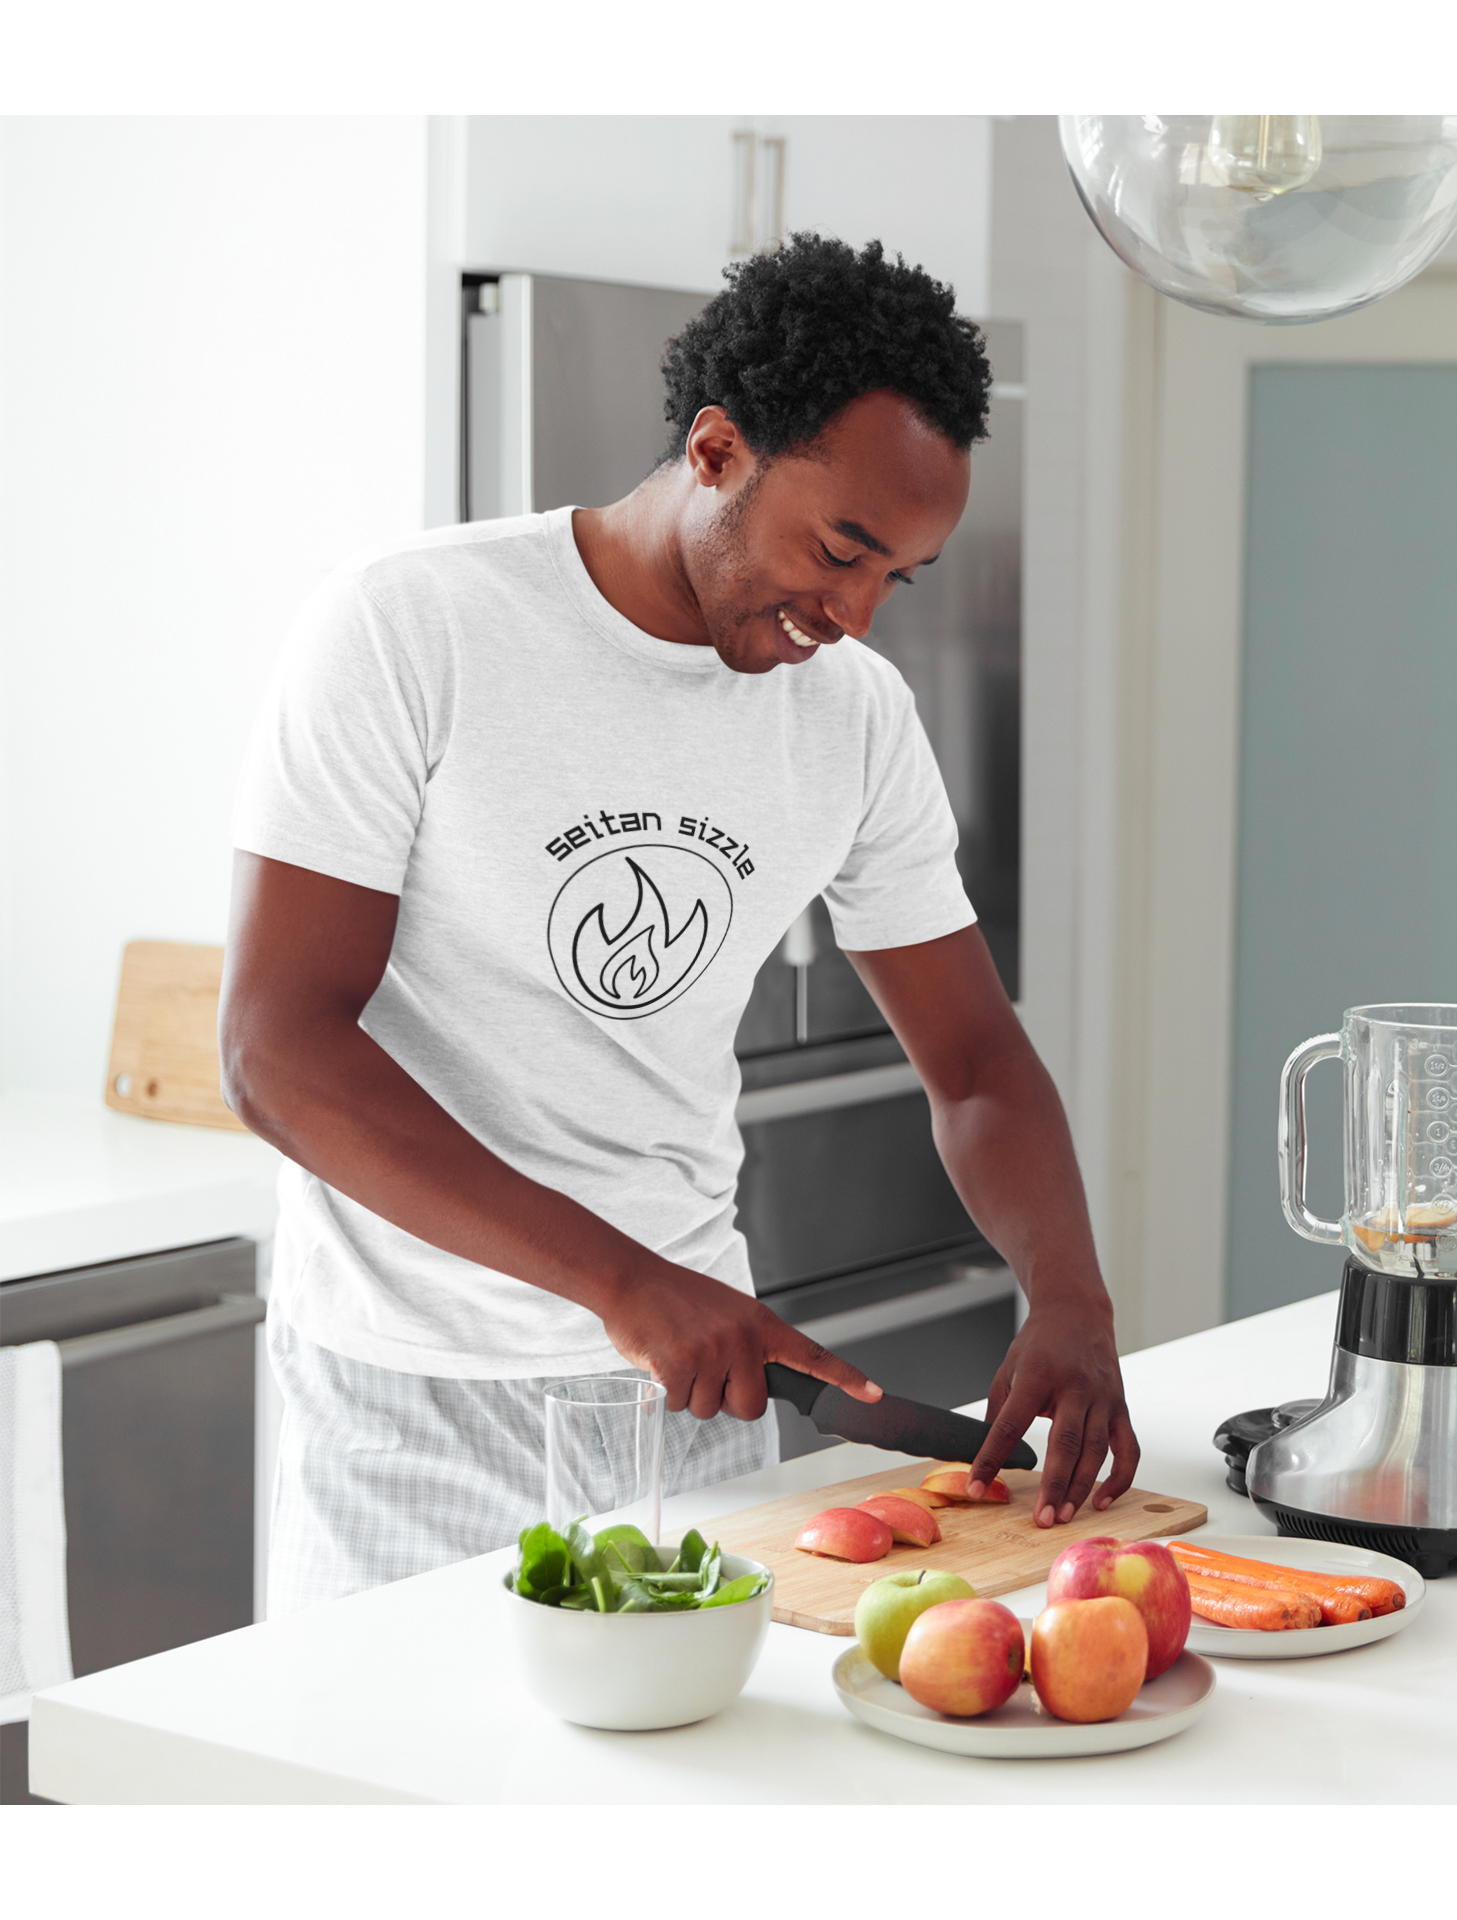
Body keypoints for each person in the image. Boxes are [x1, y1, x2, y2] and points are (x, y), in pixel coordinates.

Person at [222, 232, 1138, 1614]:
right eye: (841, 550)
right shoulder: (411, 628)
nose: (857, 615)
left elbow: (977, 1065)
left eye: (899, 576)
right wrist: (620, 1282)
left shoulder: (855, 720)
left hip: (698, 1405)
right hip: (409, 1401)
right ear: (716, 448)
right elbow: (278, 1054)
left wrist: (1069, 1294)